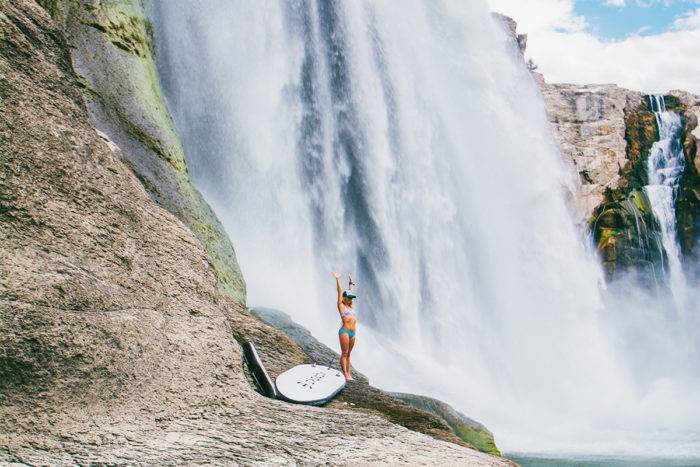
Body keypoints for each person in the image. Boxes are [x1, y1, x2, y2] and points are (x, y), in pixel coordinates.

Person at [332, 271, 356, 381]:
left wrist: (351, 283)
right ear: (345, 298)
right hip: (345, 331)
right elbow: (340, 291)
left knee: (349, 354)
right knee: (345, 353)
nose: (351, 299)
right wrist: (338, 279)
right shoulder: (341, 306)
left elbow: (350, 291)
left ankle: (349, 373)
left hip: (353, 333)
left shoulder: (350, 307)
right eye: (349, 298)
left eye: (352, 298)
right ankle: (345, 374)